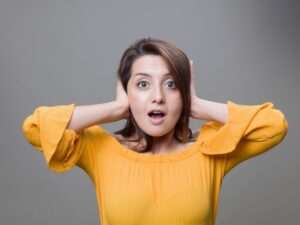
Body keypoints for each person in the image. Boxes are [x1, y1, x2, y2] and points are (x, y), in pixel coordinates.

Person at [22, 38, 288, 225]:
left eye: (171, 84)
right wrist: (116, 108)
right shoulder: (100, 148)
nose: (158, 96)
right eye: (143, 84)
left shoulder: (211, 148)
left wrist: (197, 105)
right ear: (128, 92)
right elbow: (35, 127)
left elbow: (273, 126)